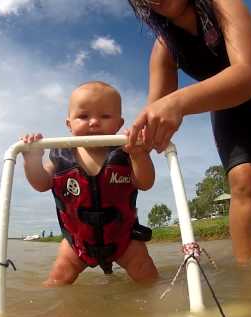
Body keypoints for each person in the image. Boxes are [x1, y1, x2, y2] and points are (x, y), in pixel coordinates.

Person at [126, 0, 251, 263]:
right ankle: (249, 278)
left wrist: (176, 103)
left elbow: (248, 77)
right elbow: (154, 116)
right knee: (243, 181)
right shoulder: (164, 47)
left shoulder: (222, 4)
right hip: (228, 108)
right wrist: (133, 144)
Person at [21, 81, 159, 286]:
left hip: (124, 239)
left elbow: (145, 183)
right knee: (58, 278)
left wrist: (139, 155)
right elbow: (42, 183)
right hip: (77, 243)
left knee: (146, 274)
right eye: (83, 116)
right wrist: (31, 159)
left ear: (119, 124)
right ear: (69, 124)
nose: (94, 122)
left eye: (105, 116)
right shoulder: (60, 155)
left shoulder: (127, 152)